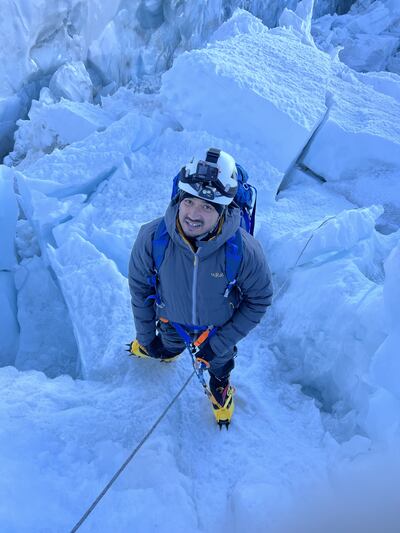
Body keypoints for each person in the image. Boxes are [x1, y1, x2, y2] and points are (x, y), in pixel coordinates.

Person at [128, 148, 273, 427]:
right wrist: (147, 338)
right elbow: (140, 290)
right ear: (178, 198)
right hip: (170, 322)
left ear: (223, 211)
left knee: (220, 364)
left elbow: (260, 299)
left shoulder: (244, 250)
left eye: (207, 207)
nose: (194, 214)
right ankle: (165, 352)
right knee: (168, 346)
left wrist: (217, 345)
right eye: (190, 202)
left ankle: (220, 387)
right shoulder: (151, 238)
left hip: (219, 332)